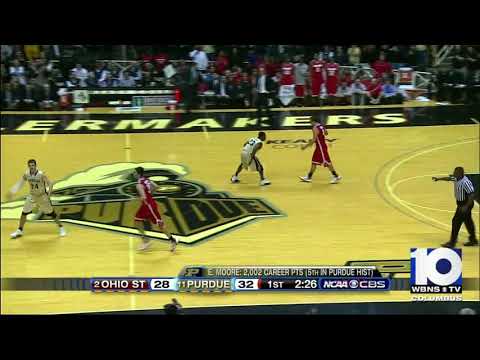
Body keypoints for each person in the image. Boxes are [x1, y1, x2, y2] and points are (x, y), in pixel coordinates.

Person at [7, 159, 67, 239]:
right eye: (30, 166)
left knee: (51, 213)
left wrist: (48, 195)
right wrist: (12, 191)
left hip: (42, 196)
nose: (31, 167)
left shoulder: (41, 174)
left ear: (35, 166)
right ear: (28, 166)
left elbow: (50, 184)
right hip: (32, 196)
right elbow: (20, 183)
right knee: (24, 213)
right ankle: (19, 230)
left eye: (33, 165)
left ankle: (61, 228)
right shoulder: (27, 174)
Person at [133, 166, 177, 252]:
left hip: (148, 206)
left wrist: (140, 197)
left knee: (159, 224)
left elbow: (144, 197)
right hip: (148, 205)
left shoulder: (138, 185)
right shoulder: (146, 180)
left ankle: (172, 240)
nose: (133, 174)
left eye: (134, 173)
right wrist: (150, 194)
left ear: (138, 174)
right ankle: (146, 241)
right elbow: (156, 186)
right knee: (137, 220)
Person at [432, 167, 478, 247]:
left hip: (465, 204)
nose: (453, 174)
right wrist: (438, 179)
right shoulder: (457, 178)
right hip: (461, 204)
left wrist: (466, 206)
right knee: (468, 222)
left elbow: (472, 194)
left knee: (456, 222)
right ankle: (473, 240)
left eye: (455, 173)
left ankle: (452, 242)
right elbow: (449, 178)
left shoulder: (465, 182)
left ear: (460, 174)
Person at [299, 119, 341, 184]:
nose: (311, 124)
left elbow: (313, 140)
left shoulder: (315, 128)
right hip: (321, 146)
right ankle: (309, 177)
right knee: (314, 161)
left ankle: (336, 176)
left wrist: (305, 147)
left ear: (313, 121)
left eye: (311, 123)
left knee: (327, 162)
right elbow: (326, 133)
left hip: (321, 148)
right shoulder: (321, 126)